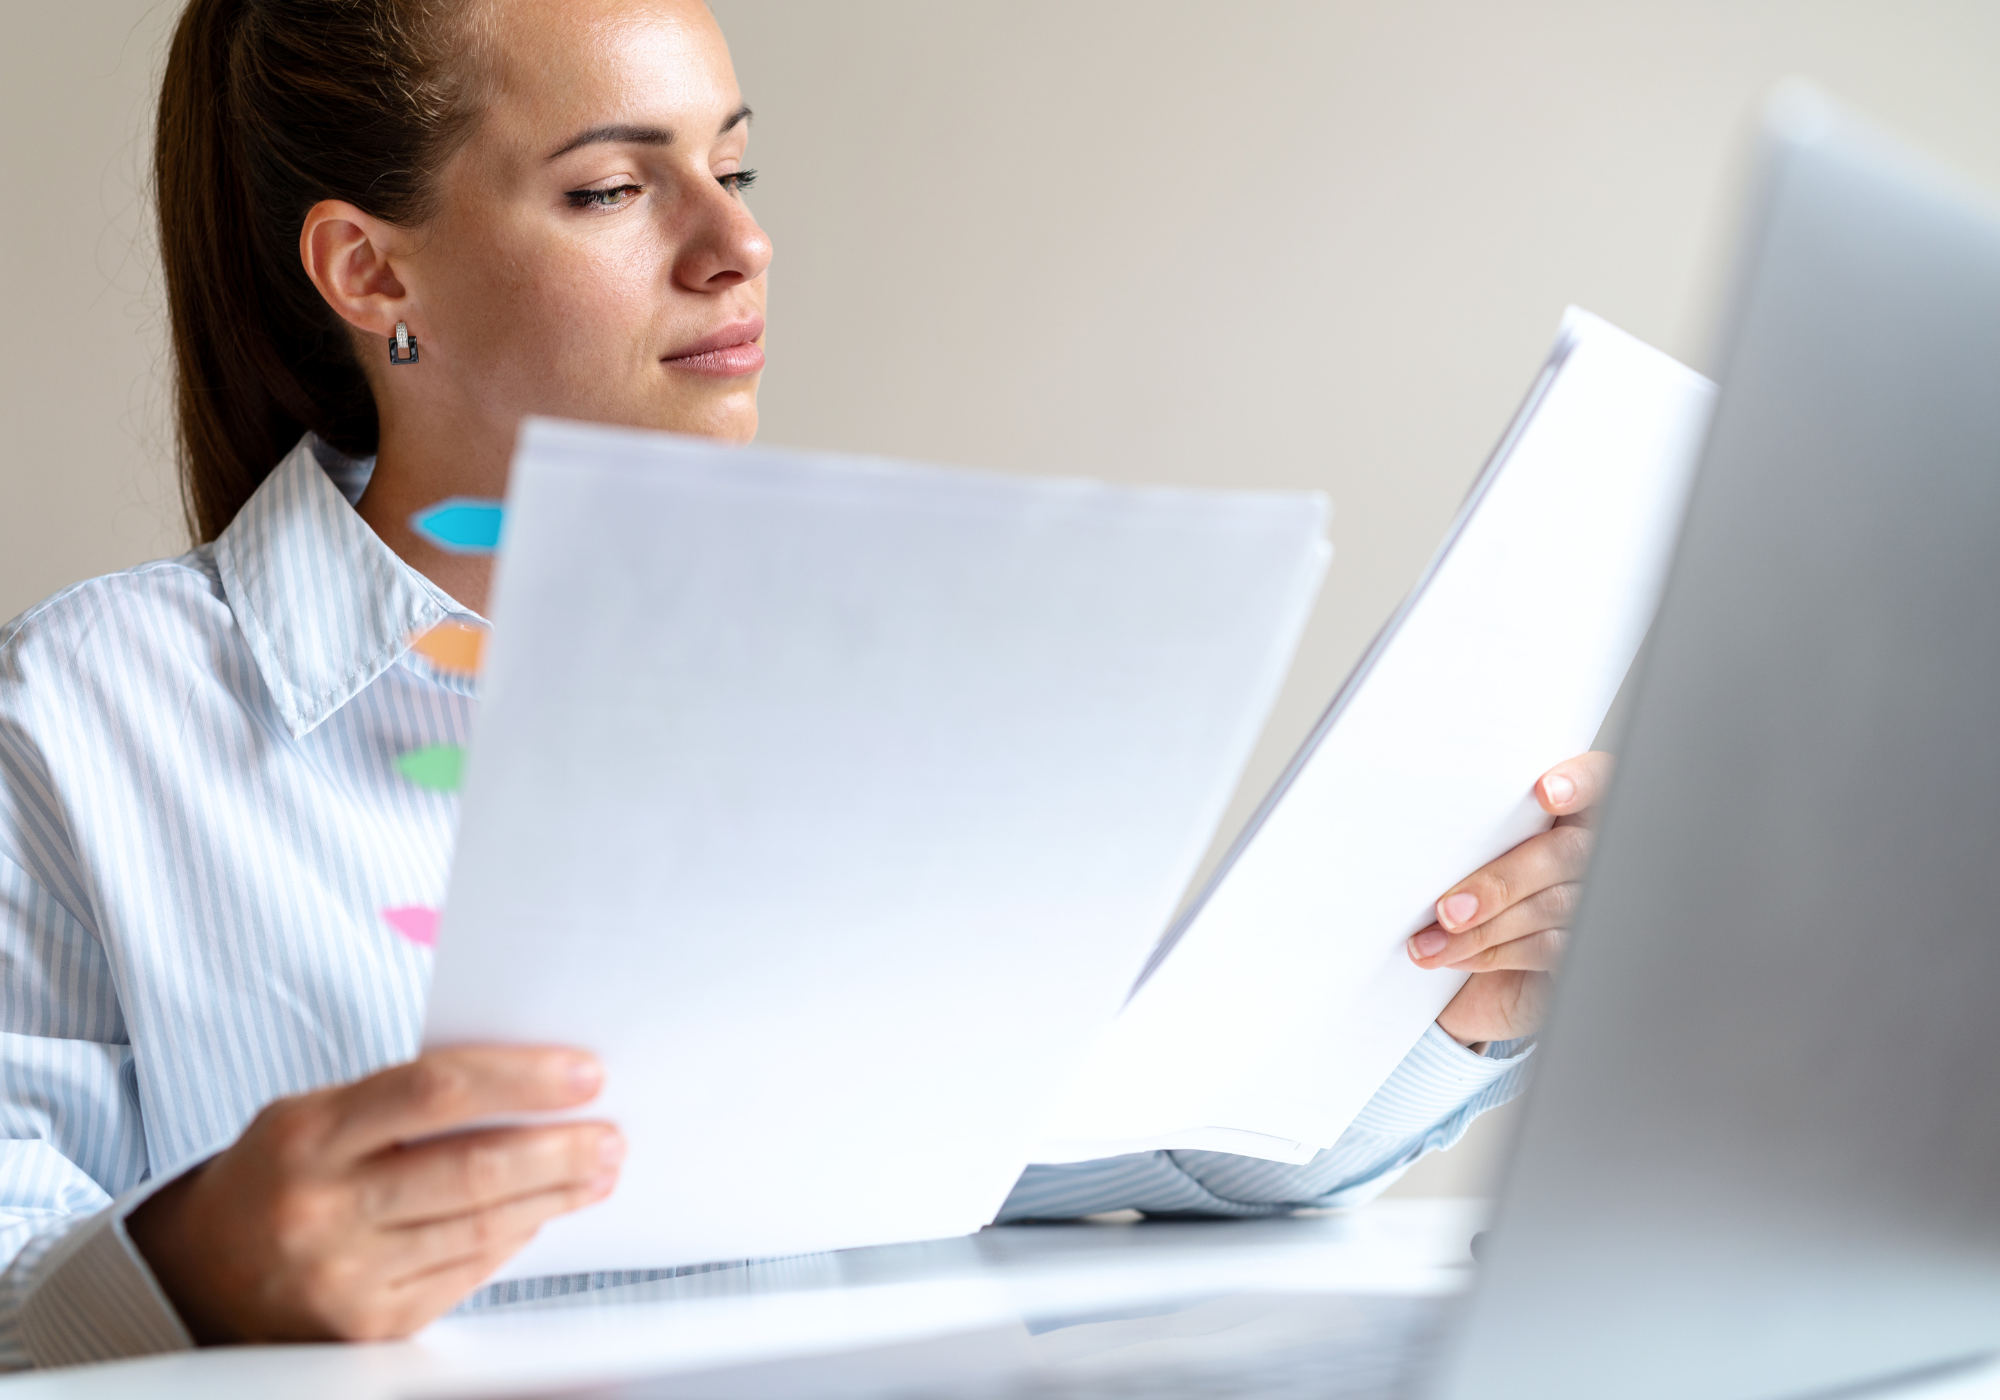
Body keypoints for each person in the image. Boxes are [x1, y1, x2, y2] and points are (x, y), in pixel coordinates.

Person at [0, 0, 1605, 1367]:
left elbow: (1078, 1156)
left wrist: (1453, 1004)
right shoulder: (92, 718)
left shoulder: (866, 676)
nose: (739, 243)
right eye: (617, 188)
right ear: (370, 274)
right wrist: (190, 1271)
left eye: (737, 164)